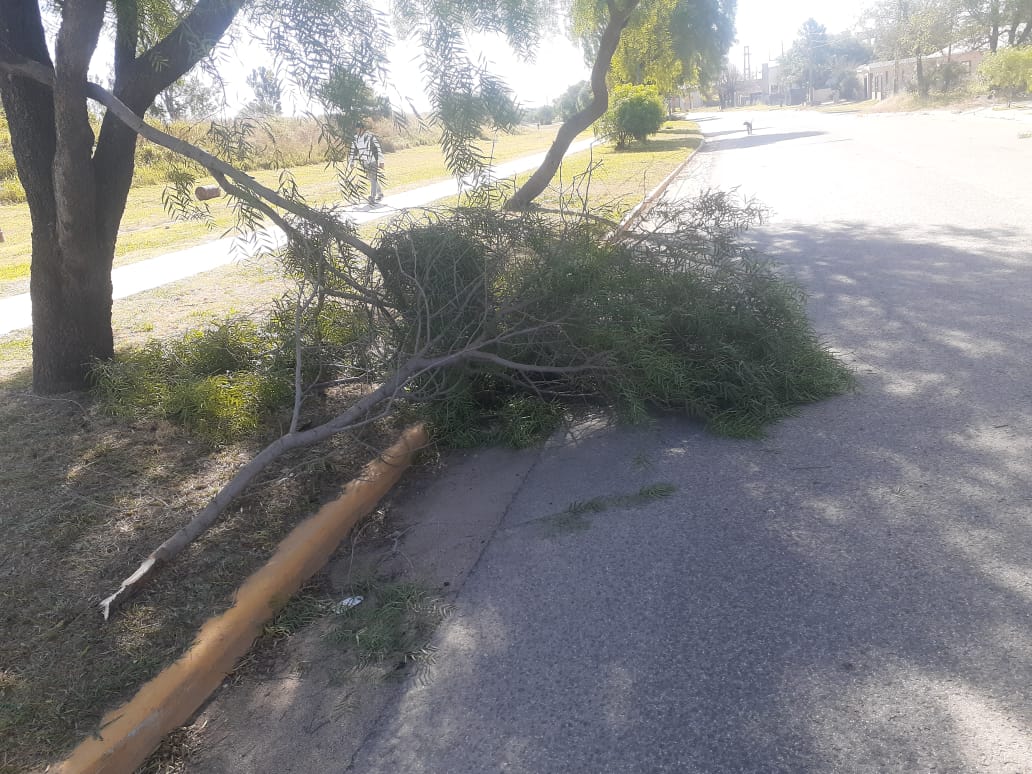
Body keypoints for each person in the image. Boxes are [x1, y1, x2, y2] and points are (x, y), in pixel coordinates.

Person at [348, 120, 384, 205]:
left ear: (363, 129)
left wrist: (381, 161)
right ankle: (380, 193)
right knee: (371, 178)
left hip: (372, 160)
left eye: (359, 129)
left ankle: (372, 197)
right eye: (356, 129)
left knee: (373, 179)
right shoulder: (355, 138)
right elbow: (353, 151)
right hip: (364, 162)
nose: (358, 131)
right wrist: (351, 161)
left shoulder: (370, 136)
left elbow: (378, 148)